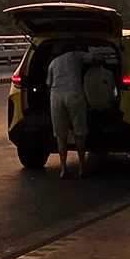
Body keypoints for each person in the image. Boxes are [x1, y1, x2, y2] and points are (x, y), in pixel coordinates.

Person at [44, 40, 91, 176]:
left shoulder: (54, 62)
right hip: (74, 95)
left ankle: (63, 168)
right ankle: (82, 167)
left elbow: (48, 85)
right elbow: (97, 58)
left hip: (56, 96)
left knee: (60, 135)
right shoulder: (77, 55)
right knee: (79, 132)